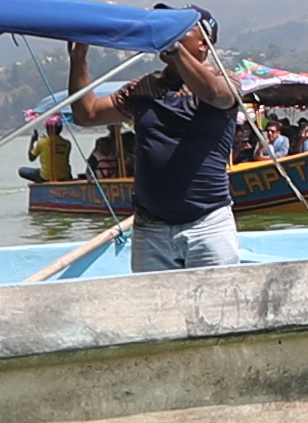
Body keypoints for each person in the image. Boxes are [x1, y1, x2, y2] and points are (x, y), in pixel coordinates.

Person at [80, 23, 247, 271]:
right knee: (154, 306)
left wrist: (177, 51)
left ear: (204, 44)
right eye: (166, 30)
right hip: (152, 227)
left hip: (207, 223)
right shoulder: (143, 88)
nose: (167, 34)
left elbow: (213, 95)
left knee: (217, 304)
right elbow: (88, 114)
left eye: (179, 31)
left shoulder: (225, 80)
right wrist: (78, 59)